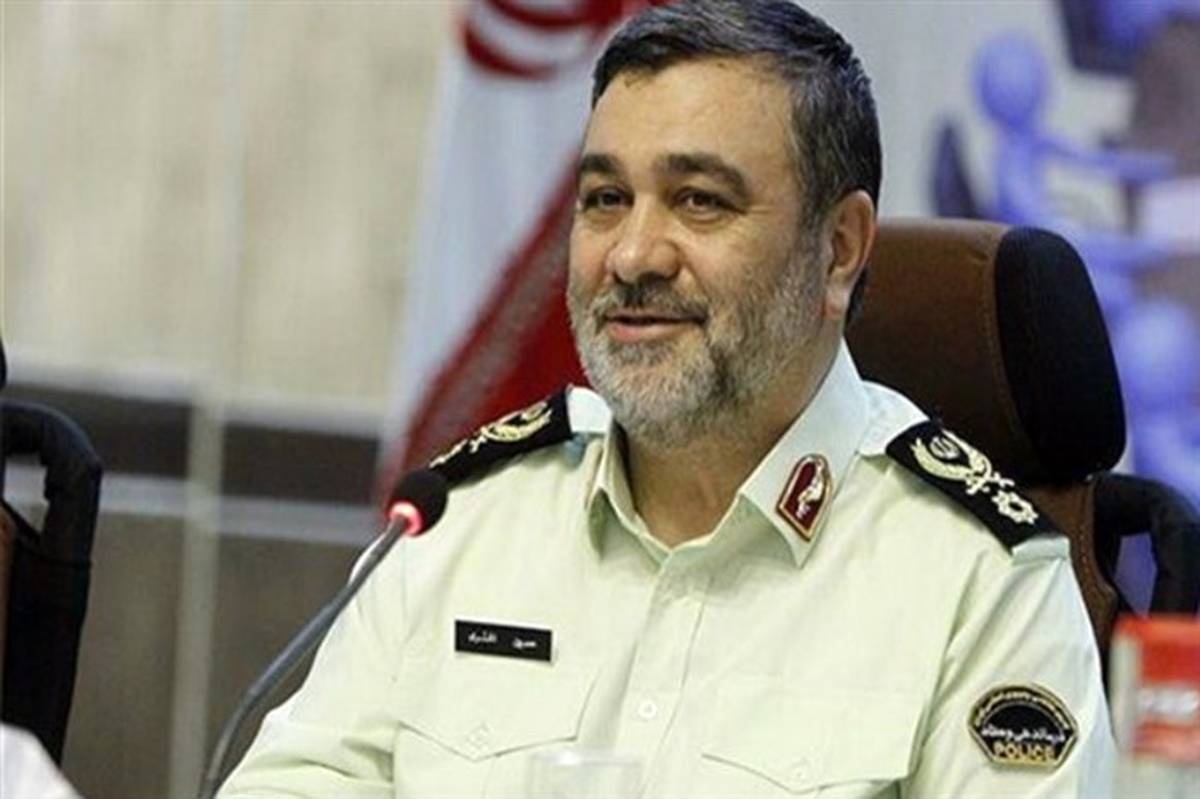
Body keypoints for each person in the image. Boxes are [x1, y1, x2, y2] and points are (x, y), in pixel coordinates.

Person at [221, 1, 1114, 796]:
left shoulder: (979, 585)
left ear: (840, 248)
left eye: (699, 201)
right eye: (606, 198)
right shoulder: (459, 525)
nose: (632, 254)